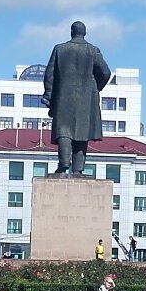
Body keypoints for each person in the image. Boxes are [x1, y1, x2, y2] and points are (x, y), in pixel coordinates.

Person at [41, 20, 112, 176]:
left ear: (71, 32)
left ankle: (63, 164)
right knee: (82, 132)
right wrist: (96, 87)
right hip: (86, 99)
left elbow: (49, 75)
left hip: (63, 97)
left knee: (64, 131)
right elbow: (106, 72)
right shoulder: (93, 51)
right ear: (84, 33)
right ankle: (78, 170)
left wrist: (49, 95)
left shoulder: (60, 49)